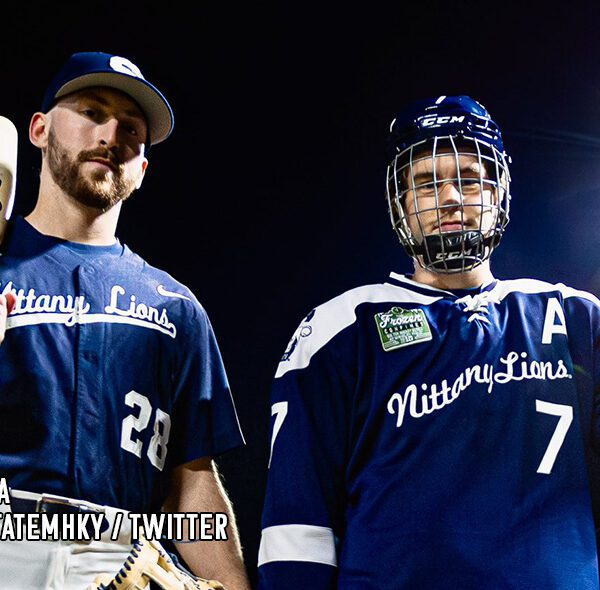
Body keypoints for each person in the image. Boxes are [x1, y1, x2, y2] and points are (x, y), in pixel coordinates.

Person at [257, 95, 600, 588]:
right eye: (426, 182)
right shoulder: (339, 329)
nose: (451, 197)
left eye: (469, 177)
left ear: (499, 192)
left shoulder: (575, 317)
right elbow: (297, 524)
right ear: (401, 202)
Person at [0, 51, 251, 590]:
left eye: (131, 130)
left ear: (142, 168)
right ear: (39, 130)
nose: (111, 133)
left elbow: (191, 484)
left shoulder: (174, 308)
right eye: (91, 111)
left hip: (118, 560)